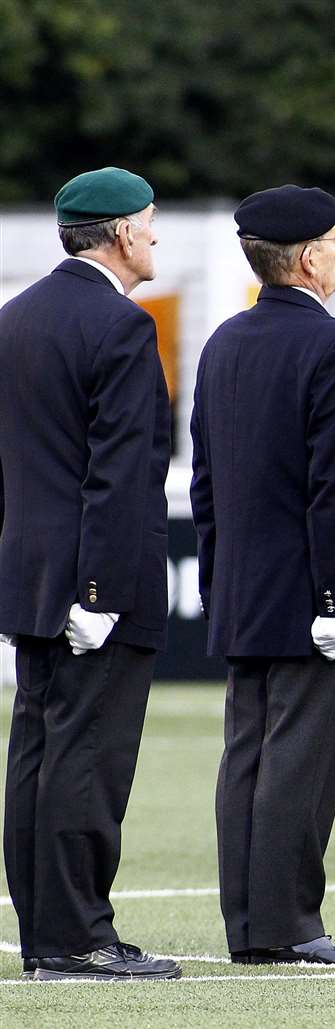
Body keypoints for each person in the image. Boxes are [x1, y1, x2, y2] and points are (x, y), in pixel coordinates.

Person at [191, 185, 335, 964]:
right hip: (315, 589)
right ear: (308, 256)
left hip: (248, 585)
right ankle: (287, 923)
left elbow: (209, 480)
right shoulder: (333, 344)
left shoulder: (224, 341)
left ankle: (248, 919)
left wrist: (220, 581)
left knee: (249, 753)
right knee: (300, 760)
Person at [0, 167, 179, 981]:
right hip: (92, 579)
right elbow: (122, 473)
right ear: (116, 234)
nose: (153, 237)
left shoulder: (15, 318)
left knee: (37, 752)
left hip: (32, 569)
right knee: (87, 758)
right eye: (146, 224)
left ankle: (47, 933)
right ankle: (76, 938)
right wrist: (100, 592)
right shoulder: (120, 326)